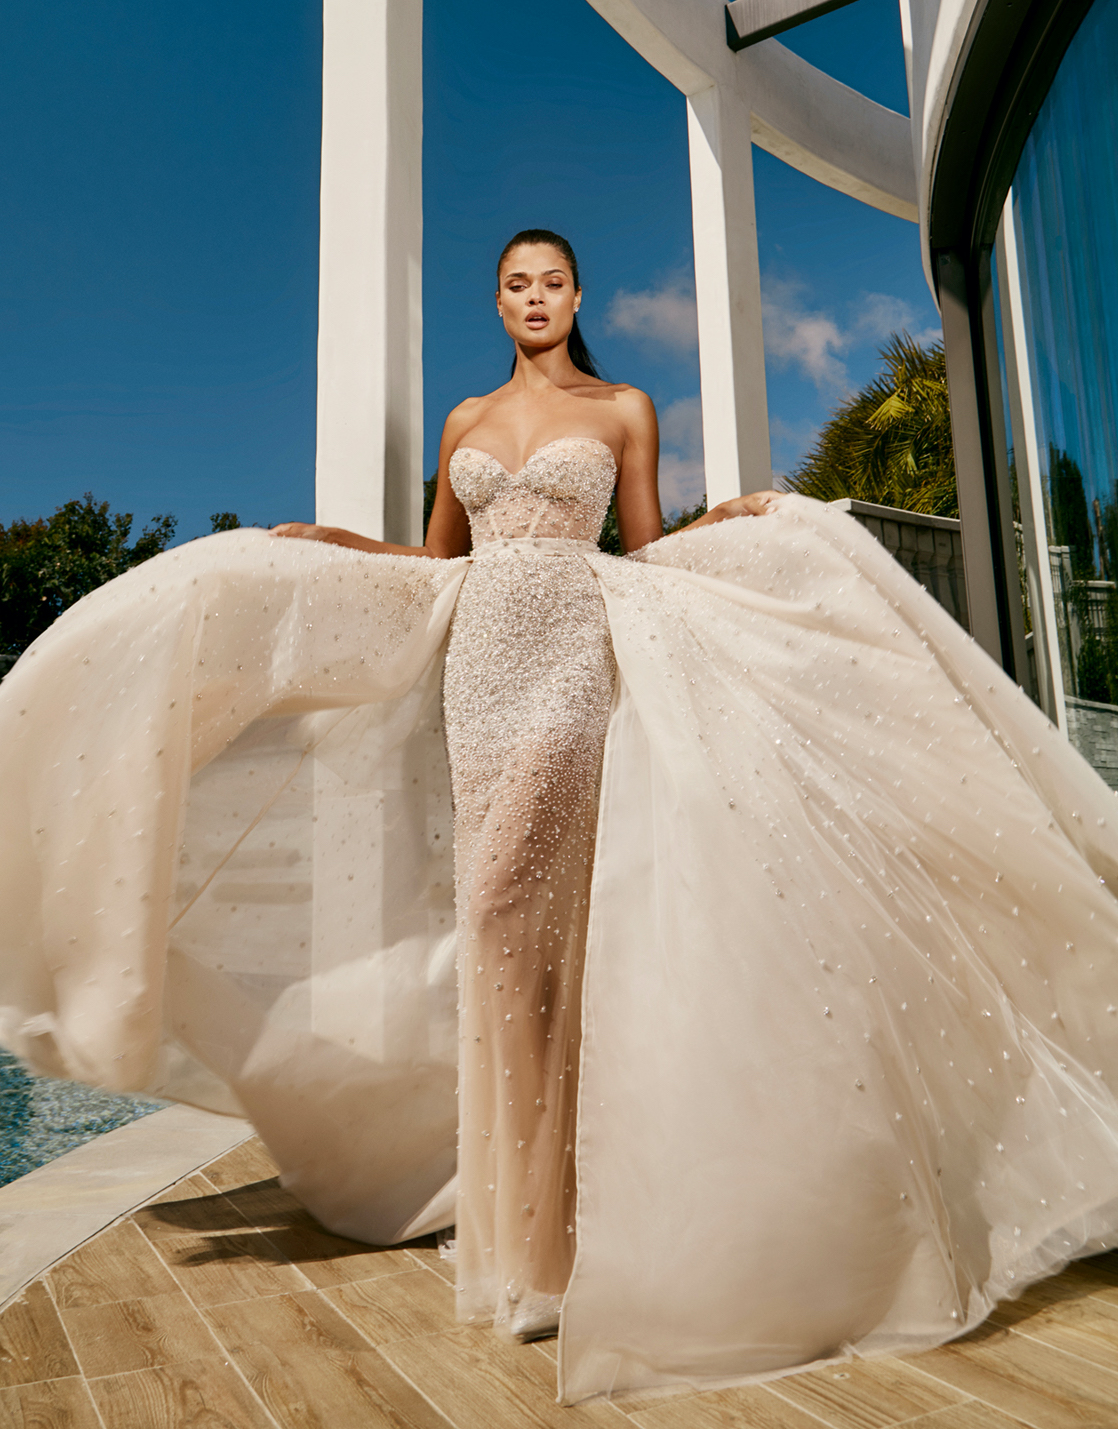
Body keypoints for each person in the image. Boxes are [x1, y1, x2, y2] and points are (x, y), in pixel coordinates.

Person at [3, 228, 1118, 1405]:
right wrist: (330, 542)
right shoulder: (465, 423)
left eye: (550, 283)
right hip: (477, 675)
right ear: (497, 303)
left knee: (518, 919)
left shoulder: (624, 406)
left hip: (569, 669)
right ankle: (533, 1234)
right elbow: (431, 557)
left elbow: (643, 549)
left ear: (575, 295)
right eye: (513, 285)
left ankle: (555, 1244)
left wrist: (733, 520)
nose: (533, 299)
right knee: (501, 941)